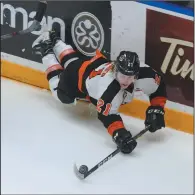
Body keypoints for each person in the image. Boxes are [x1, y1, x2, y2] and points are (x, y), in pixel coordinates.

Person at [32, 31, 167, 154]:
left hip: (94, 65)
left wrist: (157, 107)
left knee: (74, 63)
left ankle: (55, 40)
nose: (126, 81)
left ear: (137, 74)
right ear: (115, 70)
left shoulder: (145, 74)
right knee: (60, 93)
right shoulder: (108, 90)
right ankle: (46, 52)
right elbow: (107, 116)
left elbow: (159, 85)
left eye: (130, 77)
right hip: (75, 79)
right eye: (123, 76)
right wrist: (119, 133)